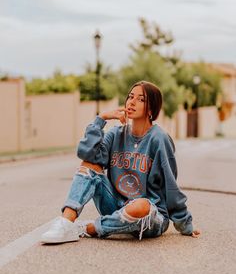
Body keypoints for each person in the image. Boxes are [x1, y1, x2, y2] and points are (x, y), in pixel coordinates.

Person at [41, 80, 200, 244]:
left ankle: (89, 228)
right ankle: (65, 223)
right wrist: (100, 120)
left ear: (151, 108)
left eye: (141, 99)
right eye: (131, 97)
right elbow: (87, 154)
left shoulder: (159, 138)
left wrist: (185, 225)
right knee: (89, 165)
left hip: (150, 215)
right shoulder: (116, 133)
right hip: (115, 206)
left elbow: (171, 186)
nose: (132, 102)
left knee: (141, 206)